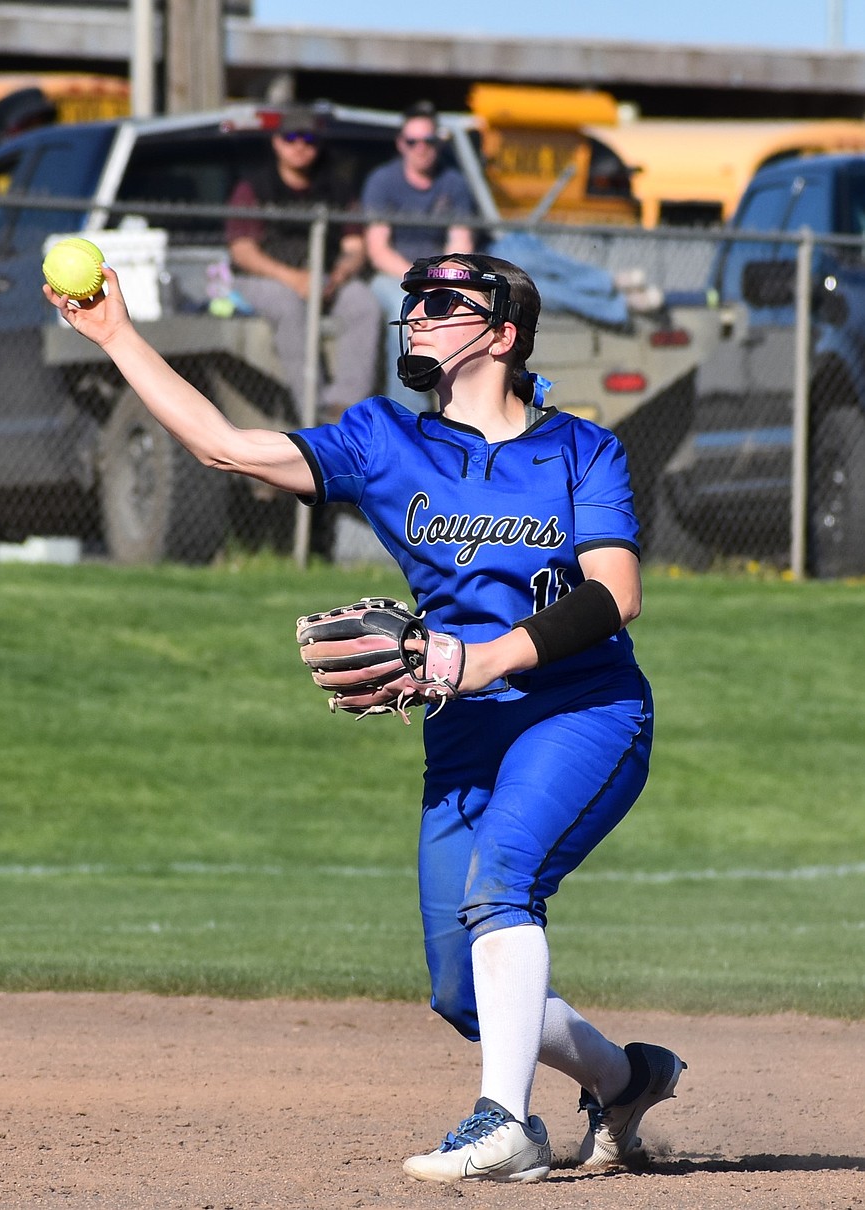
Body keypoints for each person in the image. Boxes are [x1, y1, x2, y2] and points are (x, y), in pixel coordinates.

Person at [43, 249, 685, 1186]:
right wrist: (117, 335)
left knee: (503, 881)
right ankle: (626, 1083)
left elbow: (615, 593)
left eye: (443, 302)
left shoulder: (581, 449)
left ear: (502, 336)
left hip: (582, 706)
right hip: (465, 728)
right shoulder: (387, 441)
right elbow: (226, 445)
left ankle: (506, 1123)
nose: (416, 313)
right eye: (413, 300)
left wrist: (482, 658)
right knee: (462, 989)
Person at [225, 105, 382, 420]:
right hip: (262, 279)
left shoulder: (336, 188)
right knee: (287, 304)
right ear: (277, 143)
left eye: (308, 139)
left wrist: (339, 274)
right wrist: (292, 278)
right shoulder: (254, 187)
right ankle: (312, 408)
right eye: (291, 137)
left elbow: (355, 247)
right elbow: (242, 251)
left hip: (322, 277)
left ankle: (344, 407)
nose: (300, 146)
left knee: (364, 303)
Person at [361, 101, 478, 410]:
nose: (421, 148)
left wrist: (441, 282)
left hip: (442, 278)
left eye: (428, 140)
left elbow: (461, 243)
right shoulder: (382, 181)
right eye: (413, 141)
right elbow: (378, 250)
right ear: (402, 144)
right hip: (394, 277)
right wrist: (419, 284)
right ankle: (407, 418)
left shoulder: (454, 183)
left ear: (438, 142)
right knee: (406, 316)